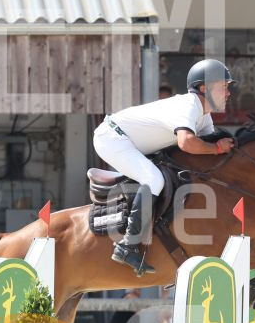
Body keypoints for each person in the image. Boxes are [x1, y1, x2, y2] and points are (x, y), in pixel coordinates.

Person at [92, 58, 236, 275]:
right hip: (112, 138)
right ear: (204, 88)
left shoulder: (204, 116)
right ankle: (128, 245)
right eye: (223, 86)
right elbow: (187, 143)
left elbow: (206, 152)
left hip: (129, 141)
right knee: (154, 180)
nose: (228, 93)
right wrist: (217, 148)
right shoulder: (189, 105)